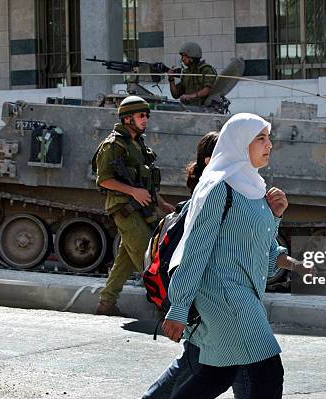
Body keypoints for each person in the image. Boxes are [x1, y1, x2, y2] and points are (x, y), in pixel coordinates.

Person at [161, 113, 295, 399]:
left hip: (245, 292)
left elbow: (260, 251)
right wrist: (179, 307)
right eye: (260, 138)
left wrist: (277, 216)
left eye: (268, 138)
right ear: (239, 143)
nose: (269, 144)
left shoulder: (255, 188)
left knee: (218, 374)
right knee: (269, 372)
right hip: (223, 293)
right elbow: (194, 249)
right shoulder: (218, 187)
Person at [93, 95, 175, 316]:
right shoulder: (113, 145)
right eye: (141, 115)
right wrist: (133, 192)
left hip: (140, 207)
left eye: (146, 115)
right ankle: (166, 310)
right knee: (147, 258)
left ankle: (106, 303)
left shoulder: (137, 144)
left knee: (126, 258)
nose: (145, 119)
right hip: (124, 208)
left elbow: (144, 182)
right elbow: (103, 179)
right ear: (127, 118)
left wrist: (162, 203)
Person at [168, 42, 217, 106]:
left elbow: (208, 89)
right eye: (182, 56)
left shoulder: (206, 70)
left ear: (192, 56)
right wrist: (171, 79)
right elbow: (175, 95)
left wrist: (191, 96)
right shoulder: (186, 73)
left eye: (184, 56)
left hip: (204, 108)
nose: (182, 59)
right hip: (188, 109)